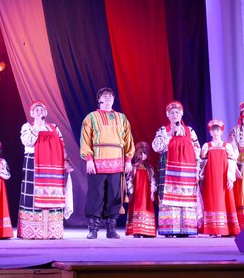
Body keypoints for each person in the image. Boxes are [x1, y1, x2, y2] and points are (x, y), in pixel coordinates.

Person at [80, 87, 135, 239]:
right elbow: (85, 139)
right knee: (96, 195)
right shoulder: (91, 117)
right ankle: (93, 228)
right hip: (97, 162)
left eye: (111, 95)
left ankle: (111, 228)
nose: (108, 97)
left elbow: (128, 140)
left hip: (117, 162)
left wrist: (128, 160)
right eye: (105, 95)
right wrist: (88, 159)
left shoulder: (121, 118)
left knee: (114, 195)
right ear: (99, 100)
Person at [17, 101, 73, 240]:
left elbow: (61, 145)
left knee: (52, 195)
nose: (39, 112)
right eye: (36, 110)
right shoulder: (27, 126)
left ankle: (51, 231)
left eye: (41, 110)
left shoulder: (54, 127)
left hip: (52, 165)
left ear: (46, 112)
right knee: (32, 193)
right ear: (31, 113)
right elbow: (27, 141)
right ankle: (32, 230)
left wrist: (65, 161)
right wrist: (37, 127)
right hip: (34, 162)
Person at [151, 101, 201, 237]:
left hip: (187, 170)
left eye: (177, 112)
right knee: (169, 197)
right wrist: (170, 133)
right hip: (169, 169)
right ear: (167, 115)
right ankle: (170, 229)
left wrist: (197, 168)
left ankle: (186, 229)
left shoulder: (190, 131)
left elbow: (197, 150)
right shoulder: (163, 130)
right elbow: (156, 147)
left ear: (182, 114)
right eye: (172, 113)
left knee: (186, 197)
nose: (175, 115)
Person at [199, 119, 240, 236]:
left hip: (223, 177)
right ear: (210, 132)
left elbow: (232, 162)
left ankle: (227, 229)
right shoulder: (207, 146)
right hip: (211, 177)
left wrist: (230, 178)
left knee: (224, 199)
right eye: (213, 130)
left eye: (217, 130)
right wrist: (201, 177)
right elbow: (202, 163)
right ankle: (213, 229)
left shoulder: (227, 146)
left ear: (221, 132)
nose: (215, 132)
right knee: (212, 199)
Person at [125, 142, 157, 238]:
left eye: (145, 153)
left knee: (147, 208)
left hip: (146, 194)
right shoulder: (134, 168)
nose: (143, 155)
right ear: (136, 154)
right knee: (137, 208)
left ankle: (147, 231)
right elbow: (130, 181)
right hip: (137, 194)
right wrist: (131, 191)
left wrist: (152, 192)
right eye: (140, 153)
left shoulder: (149, 168)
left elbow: (152, 181)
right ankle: (137, 230)